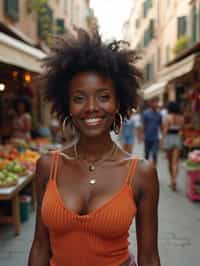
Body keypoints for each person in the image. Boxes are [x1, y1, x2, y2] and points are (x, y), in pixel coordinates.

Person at [28, 30, 160, 266]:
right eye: (79, 98)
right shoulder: (48, 166)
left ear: (118, 102)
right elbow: (40, 246)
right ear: (67, 105)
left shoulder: (142, 173)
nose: (91, 107)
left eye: (103, 97)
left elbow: (149, 257)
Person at [162, 101, 184, 191]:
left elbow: (165, 130)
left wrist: (162, 141)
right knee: (175, 162)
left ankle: (172, 180)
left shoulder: (167, 117)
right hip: (177, 138)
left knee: (170, 162)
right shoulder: (181, 118)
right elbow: (181, 130)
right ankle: (175, 179)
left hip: (169, 139)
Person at [141, 97, 162, 165]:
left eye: (157, 103)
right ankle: (146, 169)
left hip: (155, 138)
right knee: (146, 154)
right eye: (154, 102)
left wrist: (162, 138)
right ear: (151, 104)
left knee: (155, 154)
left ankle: (154, 169)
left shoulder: (159, 114)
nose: (156, 104)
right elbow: (144, 125)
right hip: (147, 137)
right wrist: (142, 134)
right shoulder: (145, 113)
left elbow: (160, 126)